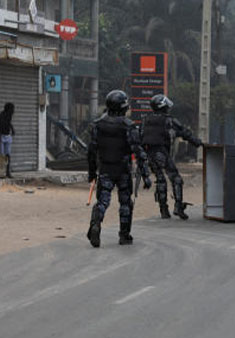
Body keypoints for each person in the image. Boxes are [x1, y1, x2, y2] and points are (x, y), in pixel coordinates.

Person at [86, 90, 151, 247]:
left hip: (105, 169)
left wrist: (92, 172)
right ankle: (124, 235)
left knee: (102, 201)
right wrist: (146, 174)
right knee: (125, 203)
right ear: (123, 107)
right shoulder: (128, 126)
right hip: (122, 170)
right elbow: (138, 151)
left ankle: (95, 224)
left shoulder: (97, 125)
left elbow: (91, 151)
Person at [140, 94, 201, 219]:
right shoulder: (169, 120)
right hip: (162, 152)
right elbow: (184, 132)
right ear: (163, 106)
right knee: (176, 179)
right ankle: (178, 207)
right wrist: (197, 142)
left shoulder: (146, 119)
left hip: (149, 155)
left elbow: (139, 137)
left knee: (160, 180)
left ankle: (164, 210)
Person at [0, 102, 15, 178]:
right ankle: (0, 172)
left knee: (7, 155)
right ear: (8, 109)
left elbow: (9, 123)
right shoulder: (0, 117)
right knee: (0, 155)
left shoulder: (9, 115)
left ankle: (8, 172)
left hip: (7, 136)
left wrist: (12, 129)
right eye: (12, 109)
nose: (13, 111)